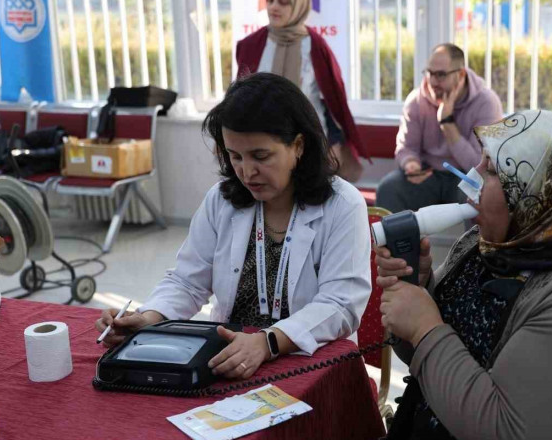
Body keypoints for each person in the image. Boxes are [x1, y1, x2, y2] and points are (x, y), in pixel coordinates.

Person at [375, 110, 552, 439]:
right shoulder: (483, 247)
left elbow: (503, 428)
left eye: (491, 169)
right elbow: (422, 357)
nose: (470, 182)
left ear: (537, 189)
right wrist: (419, 287)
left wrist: (425, 326)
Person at [94, 73, 372, 381]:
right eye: (235, 156)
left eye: (261, 156)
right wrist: (149, 318)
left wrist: (266, 343)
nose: (246, 172)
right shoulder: (223, 200)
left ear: (298, 146)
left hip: (311, 361)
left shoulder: (342, 205)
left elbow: (340, 305)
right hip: (229, 358)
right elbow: (188, 281)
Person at [235, 0, 367, 182]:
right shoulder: (251, 45)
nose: (274, 7)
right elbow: (239, 98)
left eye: (283, 2)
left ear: (300, 6)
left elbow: (332, 101)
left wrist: (334, 142)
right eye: (270, 1)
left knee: (309, 202)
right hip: (260, 143)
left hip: (309, 142)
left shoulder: (315, 46)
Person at [375, 43, 504, 214]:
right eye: (430, 73)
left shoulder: (486, 103)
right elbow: (406, 148)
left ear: (461, 75)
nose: (433, 82)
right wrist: (410, 163)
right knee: (389, 189)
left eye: (441, 75)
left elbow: (479, 165)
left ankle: (474, 242)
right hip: (428, 174)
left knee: (482, 194)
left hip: (466, 176)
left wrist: (447, 124)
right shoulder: (416, 101)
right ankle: (407, 242)